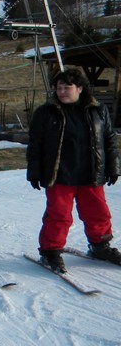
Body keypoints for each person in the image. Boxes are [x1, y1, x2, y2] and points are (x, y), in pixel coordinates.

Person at [26, 67, 121, 272]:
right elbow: (35, 144)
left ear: (79, 88)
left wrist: (113, 167)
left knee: (98, 212)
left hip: (91, 172)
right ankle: (50, 251)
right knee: (59, 214)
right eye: (59, 88)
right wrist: (34, 172)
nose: (62, 92)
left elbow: (109, 140)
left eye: (67, 87)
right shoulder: (45, 112)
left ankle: (100, 246)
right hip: (60, 173)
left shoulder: (97, 110)